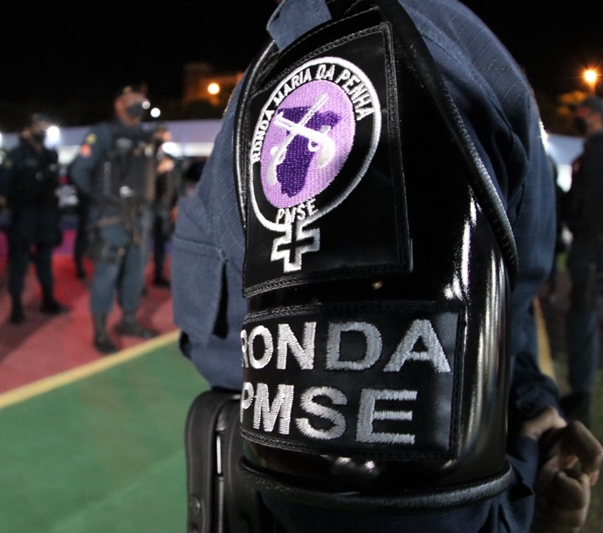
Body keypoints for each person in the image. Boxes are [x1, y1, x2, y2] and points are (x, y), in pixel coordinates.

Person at [171, 1, 603, 532]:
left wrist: (523, 482)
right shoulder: (425, 44)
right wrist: (533, 424)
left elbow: (382, 495)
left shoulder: (364, 48)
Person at [70, 84, 171, 354]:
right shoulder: (104, 133)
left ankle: (129, 320)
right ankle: (100, 331)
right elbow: (79, 171)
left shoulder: (145, 136)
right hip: (112, 215)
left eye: (142, 99)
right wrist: (101, 199)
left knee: (136, 270)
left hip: (140, 214)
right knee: (107, 271)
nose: (139, 104)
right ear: (119, 103)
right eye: (132, 99)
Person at [0, 113, 69, 324]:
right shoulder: (15, 155)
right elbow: (3, 186)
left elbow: (56, 184)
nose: (42, 131)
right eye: (38, 127)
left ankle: (48, 300)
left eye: (45, 127)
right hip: (24, 214)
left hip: (47, 214)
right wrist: (12, 208)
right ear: (27, 131)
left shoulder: (50, 155)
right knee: (19, 260)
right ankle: (16, 307)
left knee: (45, 258)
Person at [562, 95, 603, 429]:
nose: (579, 116)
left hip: (592, 248)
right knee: (584, 317)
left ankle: (582, 399)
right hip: (587, 246)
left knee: (583, 318)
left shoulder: (599, 153)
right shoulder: (591, 151)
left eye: (583, 112)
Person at [150, 127, 180, 288]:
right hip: (149, 205)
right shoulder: (147, 158)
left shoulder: (169, 158)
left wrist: (175, 204)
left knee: (162, 241)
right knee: (142, 244)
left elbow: (175, 184)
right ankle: (136, 283)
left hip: (164, 205)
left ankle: (158, 274)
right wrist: (159, 169)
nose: (163, 138)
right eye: (160, 135)